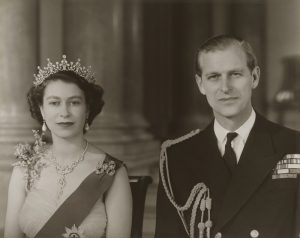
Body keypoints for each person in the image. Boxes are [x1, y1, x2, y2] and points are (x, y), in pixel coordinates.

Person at [155, 35, 300, 238]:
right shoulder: (175, 158)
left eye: (235, 74)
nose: (225, 87)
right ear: (200, 84)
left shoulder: (293, 147)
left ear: (255, 77)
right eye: (214, 76)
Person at [4, 55, 132, 238]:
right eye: (54, 103)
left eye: (74, 102)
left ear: (87, 109)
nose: (64, 113)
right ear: (42, 109)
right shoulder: (26, 167)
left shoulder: (112, 172)